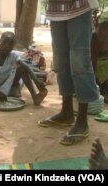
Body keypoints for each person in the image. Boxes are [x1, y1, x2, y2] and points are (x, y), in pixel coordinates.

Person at [38, 0, 100, 145]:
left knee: (79, 60)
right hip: (55, 9)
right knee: (61, 60)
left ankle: (82, 121)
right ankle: (66, 112)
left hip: (79, 6)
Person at [91, 21, 108, 102]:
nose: (104, 35)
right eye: (101, 31)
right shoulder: (92, 40)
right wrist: (93, 80)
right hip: (95, 70)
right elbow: (92, 62)